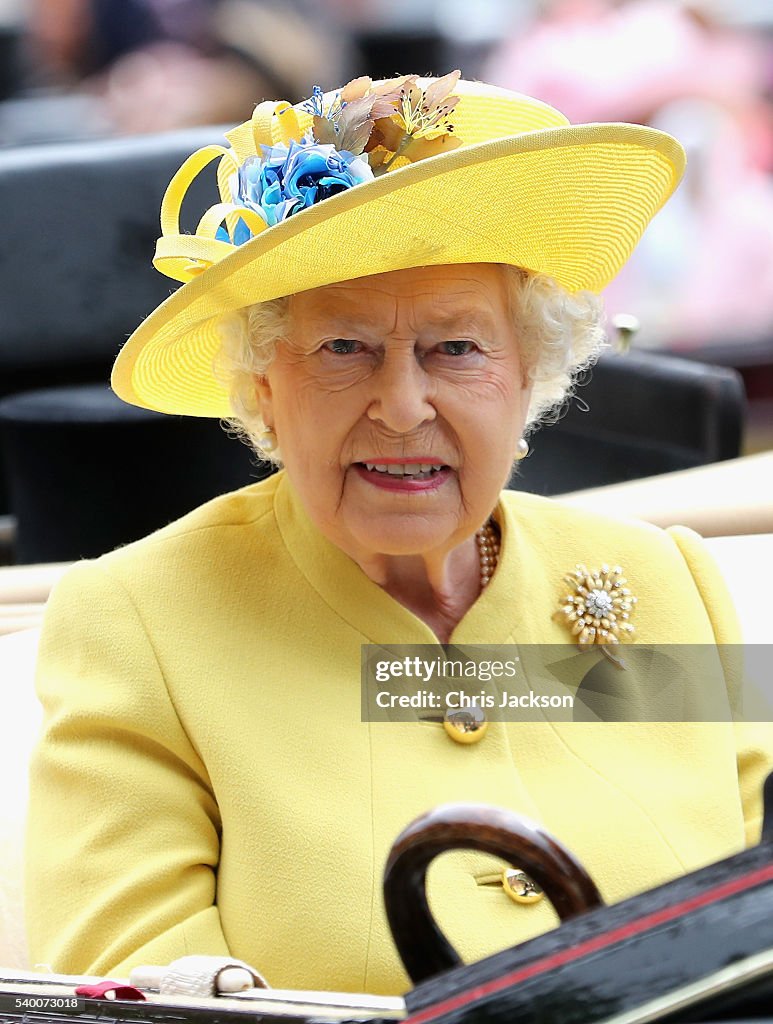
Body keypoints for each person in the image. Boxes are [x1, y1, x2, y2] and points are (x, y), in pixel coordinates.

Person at [25, 72, 773, 996]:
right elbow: (142, 998)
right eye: (344, 348)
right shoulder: (141, 626)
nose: (402, 404)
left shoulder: (662, 581)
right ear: (263, 385)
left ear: (529, 372)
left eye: (456, 348)